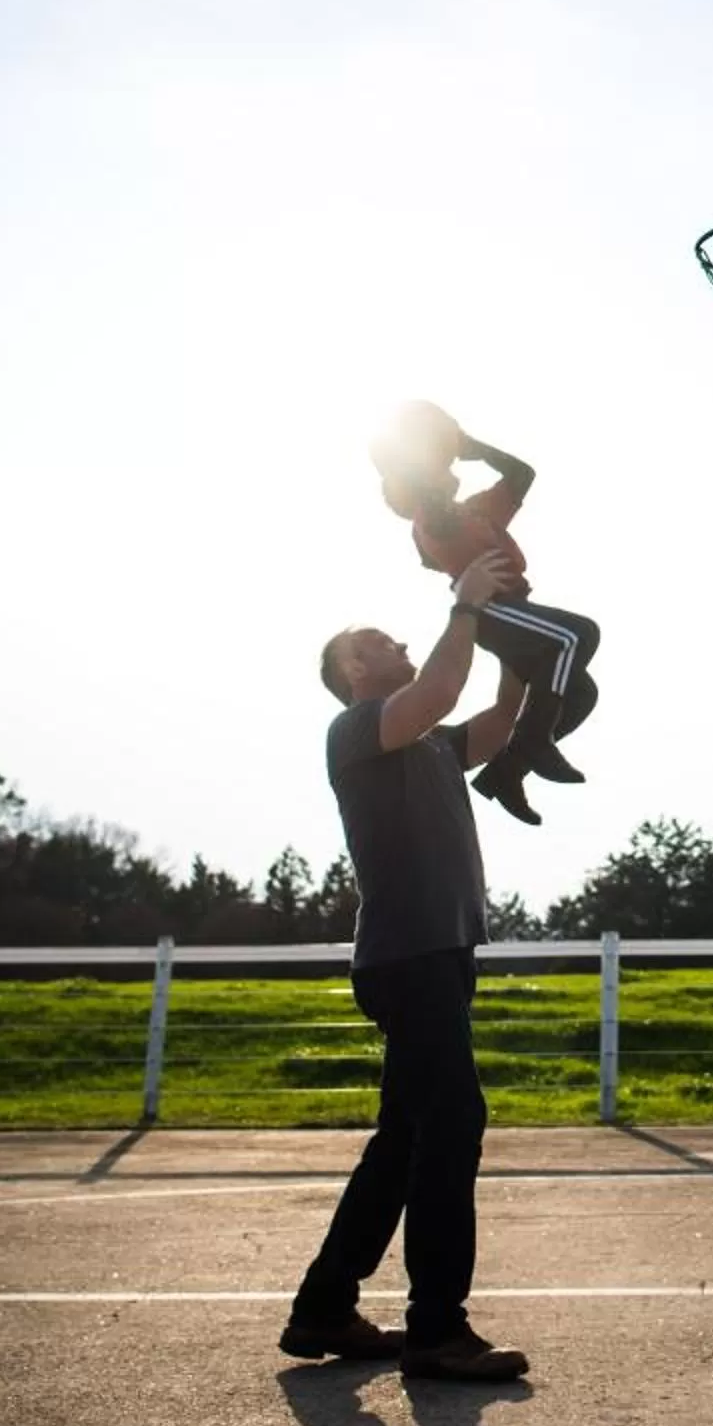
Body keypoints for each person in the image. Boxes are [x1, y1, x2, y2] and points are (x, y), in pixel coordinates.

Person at [278, 546, 531, 1382]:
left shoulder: (425, 745)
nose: (399, 646)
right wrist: (462, 607)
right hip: (406, 957)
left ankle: (324, 1309)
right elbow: (443, 693)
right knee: (454, 1123)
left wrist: (511, 640)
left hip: (441, 954)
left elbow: (494, 721)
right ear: (355, 666)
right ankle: (436, 1330)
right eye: (383, 641)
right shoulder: (358, 731)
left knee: (402, 1142)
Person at [370, 401, 602, 827]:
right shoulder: (429, 522)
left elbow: (522, 474)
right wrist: (425, 448)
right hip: (494, 613)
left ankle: (507, 771)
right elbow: (430, 498)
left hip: (521, 613)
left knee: (582, 694)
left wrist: (470, 445)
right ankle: (533, 741)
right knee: (576, 635)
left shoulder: (476, 510)